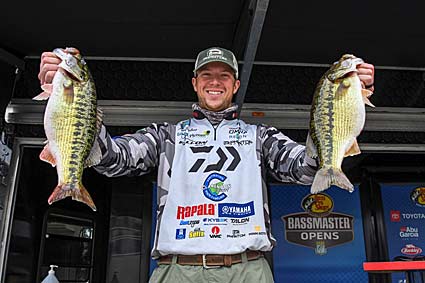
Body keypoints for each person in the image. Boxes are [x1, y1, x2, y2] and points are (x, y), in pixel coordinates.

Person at [38, 47, 375, 283]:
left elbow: (304, 168)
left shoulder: (260, 136)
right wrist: (67, 100)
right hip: (178, 269)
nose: (215, 81)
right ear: (195, 83)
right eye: (207, 75)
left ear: (236, 85)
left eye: (224, 75)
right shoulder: (166, 136)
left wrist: (345, 103)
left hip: (249, 269)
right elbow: (114, 160)